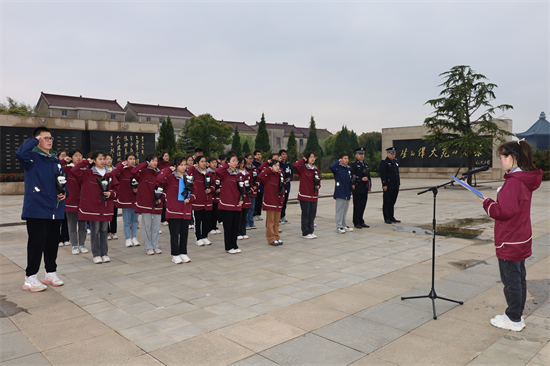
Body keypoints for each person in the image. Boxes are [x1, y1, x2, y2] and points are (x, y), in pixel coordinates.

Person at [479, 140, 542, 332]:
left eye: (501, 157)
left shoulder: (514, 182)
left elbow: (504, 211)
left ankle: (514, 318)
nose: (500, 161)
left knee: (511, 281)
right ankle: (514, 314)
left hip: (510, 238)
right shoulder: (521, 178)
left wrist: (487, 203)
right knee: (518, 277)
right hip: (520, 236)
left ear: (511, 157)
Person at [16, 127, 66, 291]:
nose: (49, 140)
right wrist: (34, 140)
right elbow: (19, 153)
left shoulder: (55, 159)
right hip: (37, 208)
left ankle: (50, 272)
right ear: (38, 139)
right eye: (45, 138)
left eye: (51, 138)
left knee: (52, 243)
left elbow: (62, 179)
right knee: (36, 243)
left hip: (55, 208)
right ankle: (30, 277)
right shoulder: (31, 157)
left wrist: (64, 193)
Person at [72, 150, 119, 264]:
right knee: (95, 231)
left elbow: (116, 188)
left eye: (104, 159)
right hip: (93, 208)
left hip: (106, 207)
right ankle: (96, 254)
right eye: (100, 159)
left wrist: (111, 193)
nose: (103, 161)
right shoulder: (87, 173)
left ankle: (105, 253)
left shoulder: (110, 174)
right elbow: (74, 170)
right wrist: (85, 162)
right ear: (94, 160)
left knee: (104, 230)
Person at [156, 156, 195, 264]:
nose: (183, 167)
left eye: (184, 165)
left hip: (186, 210)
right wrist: (169, 169)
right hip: (174, 211)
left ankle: (183, 253)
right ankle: (175, 254)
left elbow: (195, 191)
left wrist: (190, 198)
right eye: (180, 165)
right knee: (174, 234)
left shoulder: (189, 178)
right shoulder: (170, 177)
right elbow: (159, 179)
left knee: (184, 234)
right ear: (176, 166)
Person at [132, 153, 164, 255]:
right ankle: (148, 247)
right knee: (147, 226)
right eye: (152, 160)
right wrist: (144, 164)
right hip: (146, 203)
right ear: (148, 162)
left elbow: (165, 187)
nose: (155, 163)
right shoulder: (143, 172)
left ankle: (155, 245)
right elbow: (133, 171)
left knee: (156, 227)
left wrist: (161, 199)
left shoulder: (160, 173)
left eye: (156, 161)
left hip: (157, 203)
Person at [62, 149, 89, 255]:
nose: (78, 157)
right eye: (76, 155)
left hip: (83, 202)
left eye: (80, 155)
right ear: (71, 157)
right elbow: (54, 169)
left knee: (83, 225)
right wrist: (64, 161)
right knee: (72, 225)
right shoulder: (67, 169)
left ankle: (82, 244)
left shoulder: (86, 169)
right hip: (71, 201)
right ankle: (74, 245)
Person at [216, 154, 244, 254]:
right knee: (228, 226)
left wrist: (241, 198)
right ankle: (228, 246)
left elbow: (241, 188)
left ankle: (234, 244)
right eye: (233, 160)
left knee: (235, 226)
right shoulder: (224, 173)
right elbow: (217, 171)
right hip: (227, 204)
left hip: (237, 203)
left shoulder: (239, 174)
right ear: (228, 162)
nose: (235, 163)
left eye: (236, 161)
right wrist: (226, 165)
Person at [112, 152, 140, 248]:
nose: (132, 161)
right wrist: (120, 165)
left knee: (135, 221)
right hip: (125, 199)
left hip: (136, 199)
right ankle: (128, 239)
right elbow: (113, 174)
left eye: (134, 159)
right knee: (127, 221)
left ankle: (134, 237)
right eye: (130, 159)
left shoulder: (137, 171)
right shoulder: (122, 171)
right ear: (126, 160)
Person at [294, 151, 321, 239]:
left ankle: (311, 231)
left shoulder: (316, 169)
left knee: (312, 214)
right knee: (305, 214)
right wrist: (303, 159)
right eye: (310, 157)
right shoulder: (302, 168)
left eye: (314, 157)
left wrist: (318, 185)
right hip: (305, 195)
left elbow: (318, 180)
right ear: (307, 158)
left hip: (314, 195)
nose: (313, 159)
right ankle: (305, 232)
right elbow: (295, 166)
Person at [258, 159, 285, 245]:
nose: (277, 167)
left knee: (277, 222)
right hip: (270, 201)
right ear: (271, 167)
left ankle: (276, 236)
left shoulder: (280, 175)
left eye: (278, 165)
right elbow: (260, 176)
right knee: (271, 222)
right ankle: (270, 238)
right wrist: (268, 167)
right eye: (275, 165)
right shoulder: (267, 176)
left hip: (278, 201)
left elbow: (282, 187)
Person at [188, 155, 213, 246]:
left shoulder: (209, 173)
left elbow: (214, 184)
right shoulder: (194, 173)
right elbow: (186, 174)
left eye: (205, 161)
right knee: (198, 221)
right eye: (201, 161)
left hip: (208, 201)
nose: (204, 163)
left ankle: (205, 236)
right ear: (197, 163)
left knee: (206, 220)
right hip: (197, 202)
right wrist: (192, 167)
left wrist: (211, 190)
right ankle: (198, 238)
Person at [330, 153, 353, 234]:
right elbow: (331, 167)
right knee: (339, 210)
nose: (347, 160)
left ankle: (344, 224)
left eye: (347, 158)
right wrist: (337, 162)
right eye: (345, 158)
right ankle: (338, 226)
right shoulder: (337, 168)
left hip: (347, 192)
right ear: (341, 159)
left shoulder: (349, 168)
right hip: (340, 192)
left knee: (345, 210)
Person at [351, 147, 372, 229]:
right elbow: (352, 175)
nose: (361, 156)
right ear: (356, 155)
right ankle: (356, 222)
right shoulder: (354, 164)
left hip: (364, 187)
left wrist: (369, 186)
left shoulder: (366, 164)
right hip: (357, 187)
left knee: (363, 205)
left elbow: (368, 176)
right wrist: (360, 179)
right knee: (357, 205)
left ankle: (361, 220)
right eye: (360, 154)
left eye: (362, 154)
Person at [380, 147, 401, 224]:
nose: (393, 155)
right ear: (387, 154)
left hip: (395, 185)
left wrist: (398, 183)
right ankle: (387, 218)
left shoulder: (395, 161)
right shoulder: (384, 162)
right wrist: (384, 184)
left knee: (392, 202)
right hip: (388, 185)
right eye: (391, 154)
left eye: (394, 154)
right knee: (387, 202)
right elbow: (383, 174)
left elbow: (397, 174)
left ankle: (391, 216)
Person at [56, 148, 70, 247]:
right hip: (58, 197)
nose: (64, 158)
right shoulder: (57, 167)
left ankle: (66, 238)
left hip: (67, 196)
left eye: (65, 156)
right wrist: (63, 161)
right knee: (58, 221)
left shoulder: (69, 168)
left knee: (66, 221)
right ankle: (59, 239)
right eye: (62, 156)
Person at [236, 157, 251, 240]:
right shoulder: (236, 173)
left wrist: (250, 190)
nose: (242, 165)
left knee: (244, 216)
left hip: (246, 197)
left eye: (243, 163)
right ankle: (238, 232)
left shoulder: (247, 173)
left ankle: (243, 232)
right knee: (239, 216)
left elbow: (251, 183)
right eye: (241, 163)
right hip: (239, 198)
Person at [105, 153, 119, 240]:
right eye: (107, 159)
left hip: (114, 195)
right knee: (106, 214)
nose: (109, 161)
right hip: (106, 195)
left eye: (110, 159)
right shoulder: (103, 170)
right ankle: (107, 232)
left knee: (114, 214)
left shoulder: (115, 169)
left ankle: (113, 231)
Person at [207, 157, 222, 235]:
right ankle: (210, 227)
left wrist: (220, 189)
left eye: (215, 162)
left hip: (217, 196)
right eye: (212, 162)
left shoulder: (218, 173)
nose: (214, 164)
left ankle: (214, 226)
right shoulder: (208, 173)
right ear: (208, 164)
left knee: (216, 212)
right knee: (210, 213)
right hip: (210, 196)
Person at [278, 149, 293, 225]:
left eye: (285, 154)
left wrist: (290, 178)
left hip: (287, 186)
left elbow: (291, 172)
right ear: (280, 156)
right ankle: (278, 217)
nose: (284, 156)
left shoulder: (288, 164)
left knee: (285, 202)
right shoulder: (278, 164)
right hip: (280, 186)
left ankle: (283, 216)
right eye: (283, 154)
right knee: (280, 201)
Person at [244, 153, 258, 230]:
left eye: (252, 158)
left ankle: (251, 222)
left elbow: (258, 178)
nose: (251, 160)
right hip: (246, 191)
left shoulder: (254, 168)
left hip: (253, 190)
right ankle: (246, 223)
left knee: (252, 208)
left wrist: (256, 186)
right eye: (249, 158)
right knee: (246, 207)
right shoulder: (244, 168)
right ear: (245, 159)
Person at [158, 151, 171, 227]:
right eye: (165, 156)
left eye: (168, 156)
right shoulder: (159, 164)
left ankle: (167, 217)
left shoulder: (170, 165)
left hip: (167, 184)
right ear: (162, 157)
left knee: (167, 201)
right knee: (161, 202)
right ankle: (163, 219)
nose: (167, 157)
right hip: (160, 184)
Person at [252, 150, 264, 221]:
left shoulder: (262, 163)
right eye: (258, 154)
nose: (259, 156)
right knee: (255, 201)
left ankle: (258, 214)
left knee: (260, 200)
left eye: (260, 154)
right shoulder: (253, 163)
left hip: (262, 184)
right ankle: (254, 214)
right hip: (256, 184)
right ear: (255, 156)